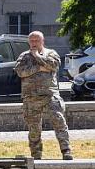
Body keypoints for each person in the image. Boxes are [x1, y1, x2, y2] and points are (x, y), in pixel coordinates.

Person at [16, 31, 73, 160]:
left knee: (59, 122)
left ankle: (66, 150)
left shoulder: (51, 53)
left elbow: (53, 65)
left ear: (42, 41)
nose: (34, 43)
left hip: (50, 95)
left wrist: (37, 56)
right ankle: (36, 155)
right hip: (31, 97)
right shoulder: (24, 56)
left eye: (37, 40)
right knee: (34, 128)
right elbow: (20, 72)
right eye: (32, 41)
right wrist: (39, 68)